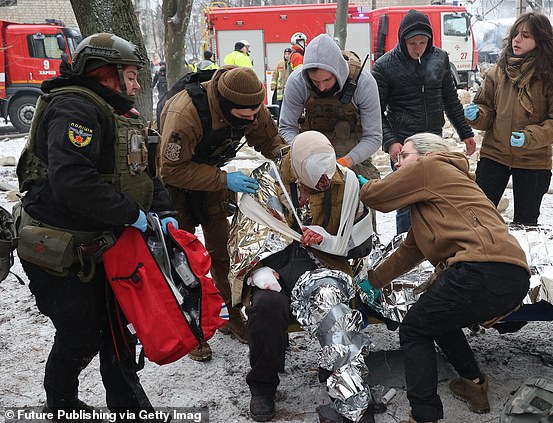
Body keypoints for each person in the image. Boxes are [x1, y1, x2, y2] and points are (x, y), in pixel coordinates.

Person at [15, 33, 175, 419]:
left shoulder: (116, 112)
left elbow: (142, 171)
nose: (137, 85)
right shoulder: (75, 109)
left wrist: (165, 211)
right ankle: (62, 402)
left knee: (118, 333)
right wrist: (132, 215)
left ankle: (131, 409)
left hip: (106, 244)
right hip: (59, 252)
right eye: (132, 76)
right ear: (106, 73)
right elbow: (74, 183)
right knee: (81, 334)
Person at [358, 133, 530, 423]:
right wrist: (373, 281)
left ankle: (424, 415)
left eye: (403, 156)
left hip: (478, 268)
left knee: (413, 330)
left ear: (424, 155)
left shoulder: (431, 167)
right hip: (510, 275)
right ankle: (473, 385)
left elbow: (377, 197)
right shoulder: (439, 192)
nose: (397, 164)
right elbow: (409, 251)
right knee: (438, 320)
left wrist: (359, 185)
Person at [158, 66, 285, 361]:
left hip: (211, 178)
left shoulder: (250, 105)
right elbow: (171, 169)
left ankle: (230, 315)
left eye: (257, 112)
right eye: (245, 116)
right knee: (183, 259)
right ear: (227, 107)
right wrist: (224, 180)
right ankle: (190, 329)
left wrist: (294, 159)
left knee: (223, 253)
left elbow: (270, 141)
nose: (253, 119)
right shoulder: (184, 113)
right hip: (175, 186)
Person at [238, 131, 364, 422]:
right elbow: (246, 234)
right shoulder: (266, 182)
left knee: (332, 304)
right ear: (297, 169)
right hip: (275, 268)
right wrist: (258, 269)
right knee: (267, 306)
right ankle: (263, 385)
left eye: (327, 176)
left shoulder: (344, 183)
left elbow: (361, 240)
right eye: (316, 177)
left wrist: (330, 239)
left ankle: (343, 382)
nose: (324, 183)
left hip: (324, 265)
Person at [465, 12, 553, 226]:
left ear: (540, 39)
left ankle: (519, 259)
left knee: (526, 224)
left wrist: (530, 137)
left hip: (533, 161)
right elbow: (486, 109)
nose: (517, 40)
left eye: (525, 35)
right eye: (515, 34)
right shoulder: (499, 71)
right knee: (477, 219)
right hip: (494, 156)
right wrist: (478, 115)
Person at [371, 9, 476, 234]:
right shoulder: (384, 66)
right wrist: (390, 143)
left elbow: (450, 99)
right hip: (404, 143)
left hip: (433, 143)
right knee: (408, 202)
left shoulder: (440, 58)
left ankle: (433, 244)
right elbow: (375, 113)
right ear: (402, 40)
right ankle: (404, 247)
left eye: (422, 42)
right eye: (412, 43)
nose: (418, 48)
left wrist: (465, 132)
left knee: (434, 198)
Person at [279, 33, 382, 182]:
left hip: (353, 157)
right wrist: (303, 155)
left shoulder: (363, 83)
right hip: (309, 157)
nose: (321, 88)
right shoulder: (297, 82)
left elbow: (373, 137)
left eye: (327, 80)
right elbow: (287, 127)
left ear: (338, 71)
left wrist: (347, 161)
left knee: (368, 196)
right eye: (315, 81)